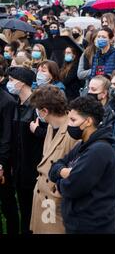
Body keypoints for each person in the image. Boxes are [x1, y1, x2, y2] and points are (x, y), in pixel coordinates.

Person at [49, 96, 115, 234]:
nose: (69, 124)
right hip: (77, 224)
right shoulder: (82, 145)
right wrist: (64, 172)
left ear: (87, 121)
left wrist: (59, 183)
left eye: (73, 120)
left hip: (93, 227)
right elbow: (54, 167)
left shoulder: (99, 150)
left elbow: (72, 187)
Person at [29, 85, 78, 233]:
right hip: (41, 197)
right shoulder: (51, 126)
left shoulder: (72, 131)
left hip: (54, 201)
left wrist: (58, 193)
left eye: (38, 109)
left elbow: (75, 171)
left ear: (45, 111)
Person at [7, 67, 45, 234]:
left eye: (11, 80)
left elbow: (50, 135)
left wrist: (37, 131)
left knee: (33, 213)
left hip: (34, 169)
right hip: (19, 169)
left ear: (21, 83)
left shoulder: (37, 107)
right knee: (24, 210)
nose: (9, 84)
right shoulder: (16, 104)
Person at [0, 82, 19, 234]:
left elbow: (7, 136)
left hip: (3, 160)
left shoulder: (8, 102)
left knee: (7, 202)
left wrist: (1, 163)